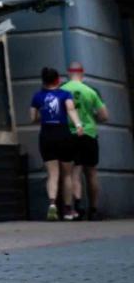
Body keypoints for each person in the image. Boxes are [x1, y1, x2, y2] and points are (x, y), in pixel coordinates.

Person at [31, 66, 82, 221]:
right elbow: (71, 110)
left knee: (52, 174)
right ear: (58, 80)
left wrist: (44, 115)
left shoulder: (37, 96)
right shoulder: (65, 94)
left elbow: (33, 118)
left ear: (43, 81)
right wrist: (78, 125)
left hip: (46, 136)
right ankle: (67, 210)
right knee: (67, 174)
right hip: (63, 134)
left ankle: (52, 204)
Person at [61, 61, 109, 220]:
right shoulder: (92, 91)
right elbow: (104, 116)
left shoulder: (61, 90)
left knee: (74, 171)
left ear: (69, 73)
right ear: (82, 73)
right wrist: (92, 117)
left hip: (69, 134)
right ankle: (93, 210)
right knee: (91, 172)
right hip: (89, 134)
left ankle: (78, 207)